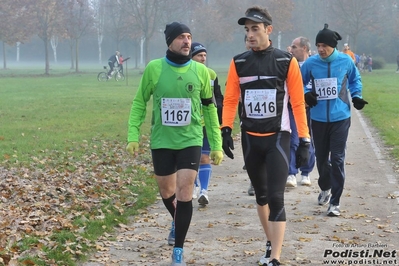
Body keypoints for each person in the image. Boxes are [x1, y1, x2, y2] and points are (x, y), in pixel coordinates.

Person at [125, 22, 224, 266]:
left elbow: (210, 110)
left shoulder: (201, 72)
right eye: (181, 37)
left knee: (185, 192)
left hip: (190, 140)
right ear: (170, 41)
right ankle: (176, 219)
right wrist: (132, 135)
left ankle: (178, 250)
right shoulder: (154, 69)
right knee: (167, 192)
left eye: (189, 37)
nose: (187, 41)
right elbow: (140, 102)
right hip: (162, 141)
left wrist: (216, 143)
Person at [221, 6, 310, 266]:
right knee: (260, 196)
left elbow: (297, 102)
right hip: (250, 138)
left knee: (275, 196)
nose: (249, 34)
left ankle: (275, 258)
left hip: (277, 138)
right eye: (247, 30)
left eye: (255, 29)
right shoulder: (238, 62)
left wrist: (303, 139)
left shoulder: (285, 61)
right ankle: (271, 240)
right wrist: (225, 129)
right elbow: (230, 99)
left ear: (268, 30)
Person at [300, 24, 368, 217]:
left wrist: (356, 96)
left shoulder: (346, 61)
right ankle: (325, 187)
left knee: (337, 159)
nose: (320, 49)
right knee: (322, 159)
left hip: (340, 118)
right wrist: (306, 94)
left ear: (333, 46)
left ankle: (335, 203)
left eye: (324, 45)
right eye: (318, 45)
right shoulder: (311, 64)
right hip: (318, 118)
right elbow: (300, 82)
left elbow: (355, 80)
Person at [190, 42, 224, 205]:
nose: (203, 58)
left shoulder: (211, 74)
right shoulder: (185, 73)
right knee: (191, 159)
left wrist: (217, 109)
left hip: (206, 123)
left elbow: (218, 96)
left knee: (204, 157)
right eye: (199, 55)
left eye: (204, 55)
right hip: (188, 124)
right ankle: (194, 185)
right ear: (191, 57)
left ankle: (204, 191)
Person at [286, 36, 316, 187]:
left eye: (294, 46)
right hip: (293, 107)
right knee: (292, 139)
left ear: (304, 48)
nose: (290, 49)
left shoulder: (315, 63)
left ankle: (306, 173)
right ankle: (291, 173)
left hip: (312, 107)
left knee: (308, 139)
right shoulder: (289, 64)